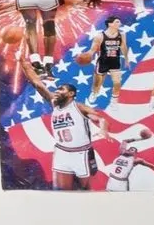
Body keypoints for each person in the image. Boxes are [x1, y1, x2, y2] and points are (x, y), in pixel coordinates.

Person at [22, 58, 110, 190]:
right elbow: (38, 84)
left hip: (82, 153)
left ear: (71, 94)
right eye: (57, 89)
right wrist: (23, 63)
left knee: (86, 189)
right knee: (60, 191)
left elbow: (101, 119)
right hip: (62, 152)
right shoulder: (55, 104)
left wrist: (103, 130)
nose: (56, 91)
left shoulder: (79, 107)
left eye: (61, 89)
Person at [82, 15, 132, 104]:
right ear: (110, 24)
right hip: (103, 62)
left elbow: (123, 46)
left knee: (117, 82)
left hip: (115, 61)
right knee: (97, 83)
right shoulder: (100, 36)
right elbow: (93, 49)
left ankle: (114, 99)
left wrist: (127, 59)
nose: (120, 23)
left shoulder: (122, 34)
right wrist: (88, 54)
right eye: (117, 22)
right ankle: (94, 92)